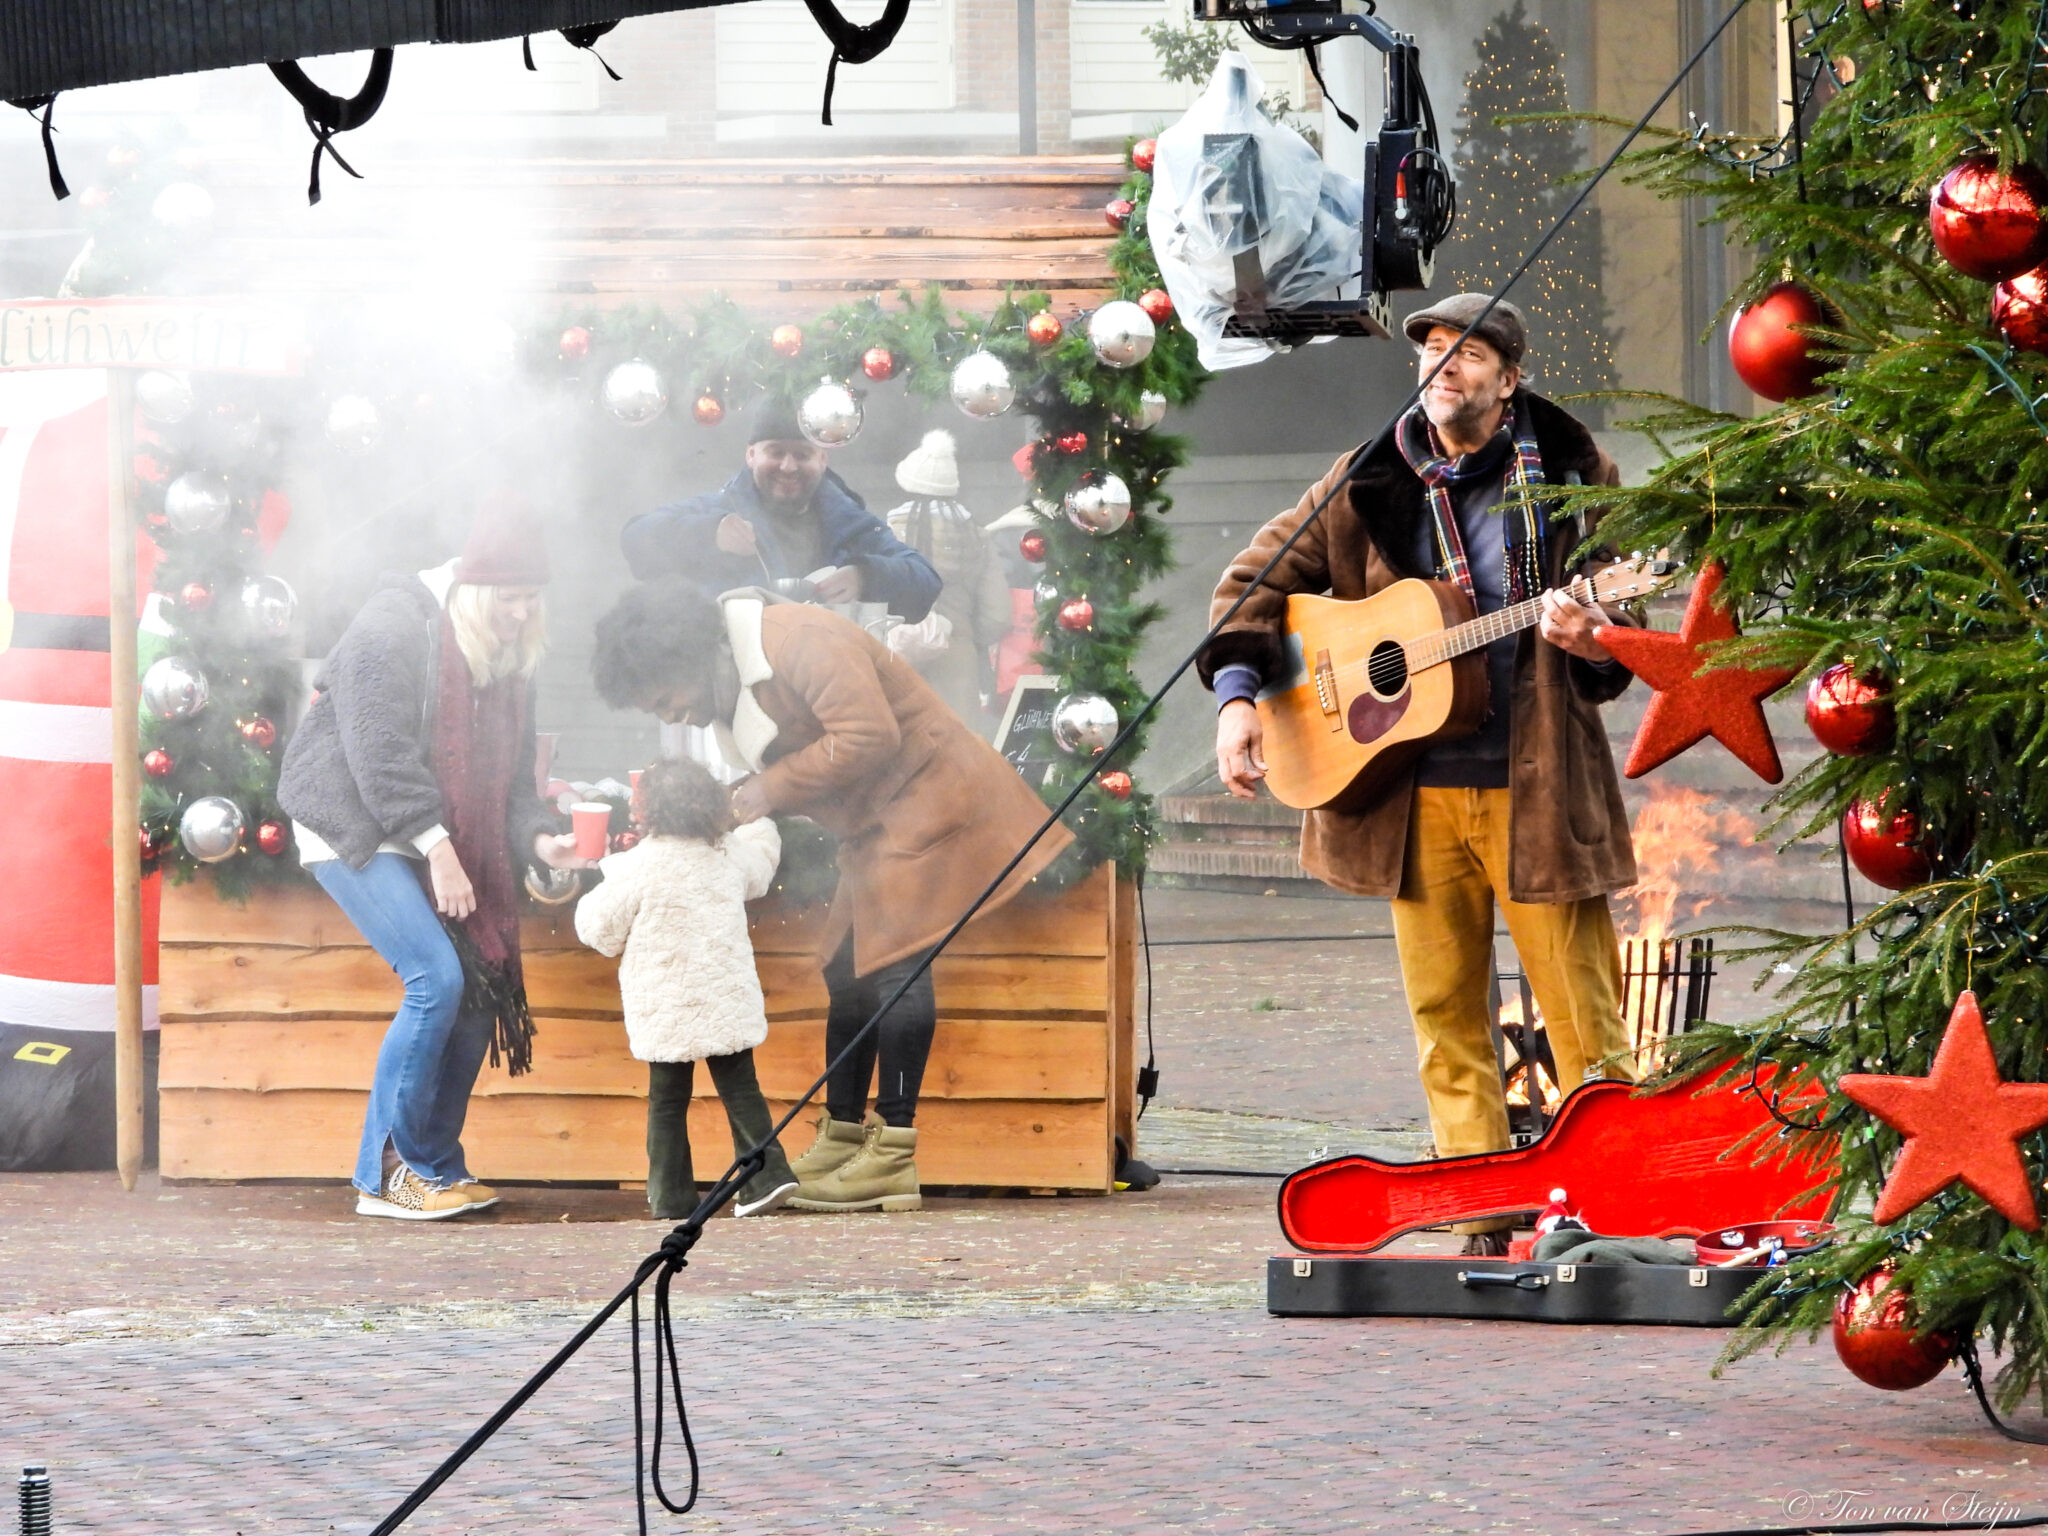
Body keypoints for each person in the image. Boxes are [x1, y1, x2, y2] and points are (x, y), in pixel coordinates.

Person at [1201, 294, 1640, 1256]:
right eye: (1433, 349)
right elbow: (1253, 583)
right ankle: (1479, 1216)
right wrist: (1240, 697)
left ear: (1510, 379)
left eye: (1470, 351)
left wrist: (1595, 635)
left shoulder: (1575, 472)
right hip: (1409, 793)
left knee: (1582, 1018)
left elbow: (1621, 640)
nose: (1445, 364)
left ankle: (1612, 1203)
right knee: (1447, 1019)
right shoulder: (1367, 477)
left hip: (1540, 787)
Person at [590, 578, 1073, 1212]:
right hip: (879, 824)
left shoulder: (798, 639)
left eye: (665, 699)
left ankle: (893, 1153)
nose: (669, 715)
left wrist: (766, 791)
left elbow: (868, 736)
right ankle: (844, 1135)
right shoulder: (741, 666)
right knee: (844, 972)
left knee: (899, 969)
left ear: (685, 657)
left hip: (931, 803)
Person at [279, 498, 590, 1221]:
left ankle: (436, 1167)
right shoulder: (393, 626)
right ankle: (388, 1173)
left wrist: (545, 840)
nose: (520, 613)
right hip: (350, 817)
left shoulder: (509, 656)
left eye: (531, 599)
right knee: (435, 979)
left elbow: (513, 783)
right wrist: (439, 849)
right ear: (473, 589)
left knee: (477, 992)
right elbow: (376, 754)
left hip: (427, 825)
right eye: (509, 599)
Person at [572, 759, 799, 1221]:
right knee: (741, 1089)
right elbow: (760, 866)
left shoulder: (636, 867)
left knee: (668, 1100)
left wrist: (600, 871)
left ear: (648, 809)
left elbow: (599, 930)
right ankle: (767, 1177)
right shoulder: (727, 852)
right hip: (724, 998)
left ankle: (670, 1196)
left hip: (665, 1005)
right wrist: (759, 823)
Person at [620, 397, 942, 621]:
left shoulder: (851, 525)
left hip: (824, 693)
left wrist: (866, 575)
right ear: (751, 456)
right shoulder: (718, 509)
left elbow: (926, 580)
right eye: (775, 452)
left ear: (822, 459)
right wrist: (708, 533)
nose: (788, 466)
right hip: (731, 690)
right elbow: (636, 539)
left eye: (802, 454)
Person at [881, 429, 1013, 724]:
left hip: (896, 657)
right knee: (955, 758)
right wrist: (963, 637)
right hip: (958, 661)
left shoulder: (885, 535)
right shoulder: (975, 536)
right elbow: (998, 614)